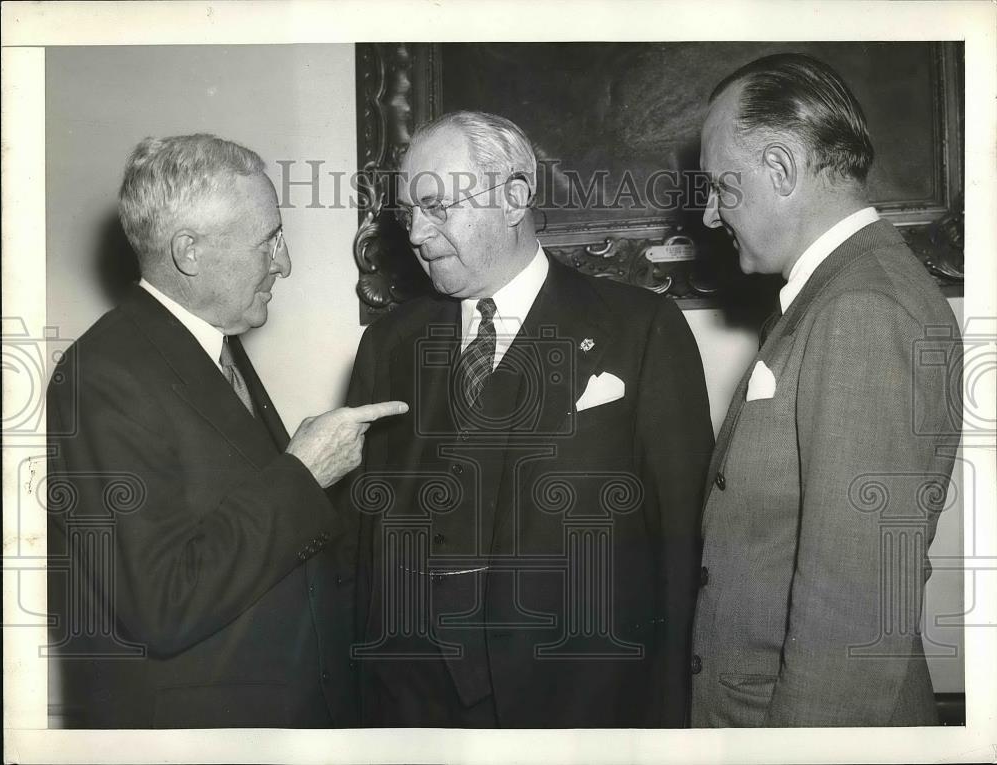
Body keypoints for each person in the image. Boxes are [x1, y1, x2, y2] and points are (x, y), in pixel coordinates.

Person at [341, 111, 714, 727]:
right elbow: (360, 541)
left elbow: (682, 546)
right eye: (408, 213)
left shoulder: (641, 329)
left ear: (513, 198)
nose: (415, 232)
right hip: (412, 707)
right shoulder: (388, 344)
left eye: (436, 205)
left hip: (576, 706)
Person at [45, 134, 406, 728]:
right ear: (189, 251)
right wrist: (303, 473)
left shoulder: (209, 346)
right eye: (269, 240)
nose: (284, 263)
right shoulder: (103, 375)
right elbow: (162, 603)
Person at [692, 54, 962, 727]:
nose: (707, 214)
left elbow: (850, 617)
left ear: (781, 169)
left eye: (720, 186)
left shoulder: (861, 307)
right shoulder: (835, 293)